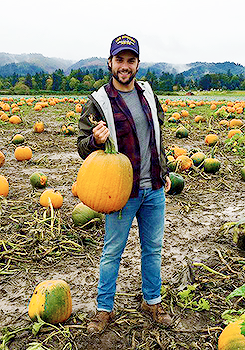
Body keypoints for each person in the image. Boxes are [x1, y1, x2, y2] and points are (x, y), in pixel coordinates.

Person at [77, 34, 172, 333]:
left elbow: (156, 137)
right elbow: (81, 146)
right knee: (112, 251)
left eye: (131, 60)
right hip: (121, 191)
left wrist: (164, 170)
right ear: (110, 62)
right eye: (120, 60)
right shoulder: (99, 101)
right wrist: (95, 140)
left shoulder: (147, 92)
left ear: (138, 64)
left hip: (153, 188)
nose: (125, 66)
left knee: (153, 248)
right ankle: (104, 309)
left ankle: (152, 302)